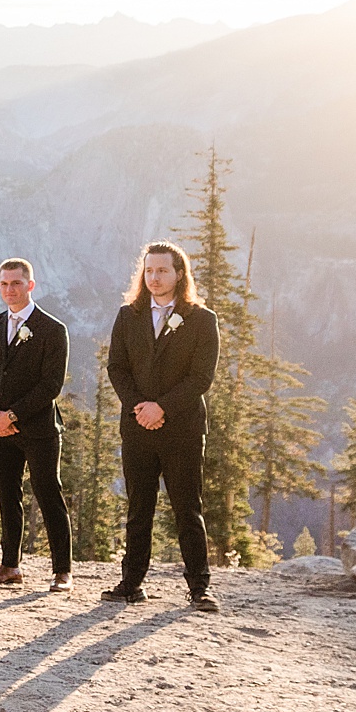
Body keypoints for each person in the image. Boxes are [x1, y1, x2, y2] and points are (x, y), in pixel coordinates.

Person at [103, 241, 220, 612]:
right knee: (139, 507)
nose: (154, 278)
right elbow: (116, 368)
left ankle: (199, 587)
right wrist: (140, 408)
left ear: (179, 274)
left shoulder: (202, 319)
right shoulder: (128, 316)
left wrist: (162, 408)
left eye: (162, 271)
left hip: (182, 428)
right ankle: (131, 584)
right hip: (137, 426)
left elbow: (202, 377)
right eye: (149, 271)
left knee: (187, 507)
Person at [0, 258, 73, 591]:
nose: (9, 290)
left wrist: (11, 415)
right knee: (7, 496)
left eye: (16, 283)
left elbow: (51, 385)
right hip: (0, 429)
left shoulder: (53, 329)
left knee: (48, 495)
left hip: (40, 430)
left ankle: (62, 572)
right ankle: (10, 566)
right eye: (3, 284)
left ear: (30, 285)